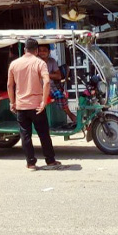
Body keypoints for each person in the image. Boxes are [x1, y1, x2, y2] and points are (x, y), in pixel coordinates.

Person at [8, 38, 61, 170]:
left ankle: (30, 163)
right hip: (37, 106)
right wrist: (43, 101)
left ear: (25, 49)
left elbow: (10, 85)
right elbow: (47, 82)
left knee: (25, 135)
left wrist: (12, 102)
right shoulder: (40, 63)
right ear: (36, 50)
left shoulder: (14, 64)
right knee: (43, 134)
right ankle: (50, 160)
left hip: (21, 105)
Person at [37, 44, 77, 126]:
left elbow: (58, 76)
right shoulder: (35, 62)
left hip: (50, 86)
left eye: (44, 50)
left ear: (49, 52)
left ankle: (70, 116)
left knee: (60, 95)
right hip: (38, 87)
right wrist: (51, 75)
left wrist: (45, 74)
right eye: (40, 50)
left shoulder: (52, 61)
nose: (42, 53)